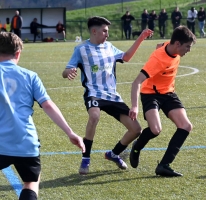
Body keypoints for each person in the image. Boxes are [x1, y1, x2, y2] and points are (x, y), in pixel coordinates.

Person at [62, 16, 153, 175]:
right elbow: (65, 71)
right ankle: (86, 158)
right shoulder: (81, 49)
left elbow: (126, 57)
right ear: (94, 31)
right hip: (94, 94)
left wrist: (141, 37)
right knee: (94, 116)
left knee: (136, 129)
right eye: (105, 31)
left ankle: (113, 154)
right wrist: (68, 72)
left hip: (112, 96)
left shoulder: (110, 47)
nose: (107, 34)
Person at [0, 32, 85, 200]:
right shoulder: (30, 76)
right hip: (25, 142)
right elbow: (48, 105)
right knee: (31, 182)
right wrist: (70, 133)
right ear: (18, 54)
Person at [129, 26, 196, 177]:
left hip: (168, 93)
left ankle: (164, 165)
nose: (188, 50)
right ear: (178, 44)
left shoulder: (171, 45)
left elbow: (163, 45)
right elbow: (136, 82)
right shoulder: (158, 60)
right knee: (155, 130)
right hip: (150, 94)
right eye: (187, 47)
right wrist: (134, 106)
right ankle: (136, 147)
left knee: (186, 126)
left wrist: (158, 46)